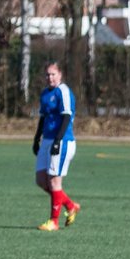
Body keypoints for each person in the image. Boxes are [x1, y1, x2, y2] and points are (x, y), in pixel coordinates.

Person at [32, 61, 81, 231]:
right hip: (46, 140)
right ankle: (70, 205)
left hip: (62, 141)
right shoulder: (45, 93)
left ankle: (54, 221)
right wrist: (36, 138)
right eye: (47, 74)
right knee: (41, 180)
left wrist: (58, 141)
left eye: (53, 74)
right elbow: (43, 118)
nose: (50, 77)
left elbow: (66, 117)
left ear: (60, 75)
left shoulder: (64, 92)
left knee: (54, 181)